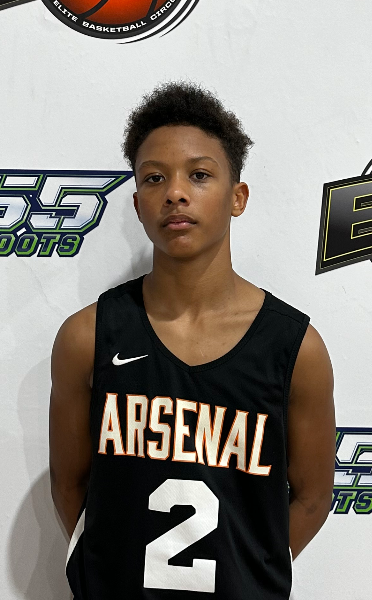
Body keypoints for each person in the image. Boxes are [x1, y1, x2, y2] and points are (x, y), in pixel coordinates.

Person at [49, 81, 336, 600]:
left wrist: (248, 577)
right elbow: (69, 485)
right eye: (154, 178)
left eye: (199, 175)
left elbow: (314, 497)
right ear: (138, 204)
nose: (175, 193)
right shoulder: (86, 337)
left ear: (237, 197)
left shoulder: (296, 349)